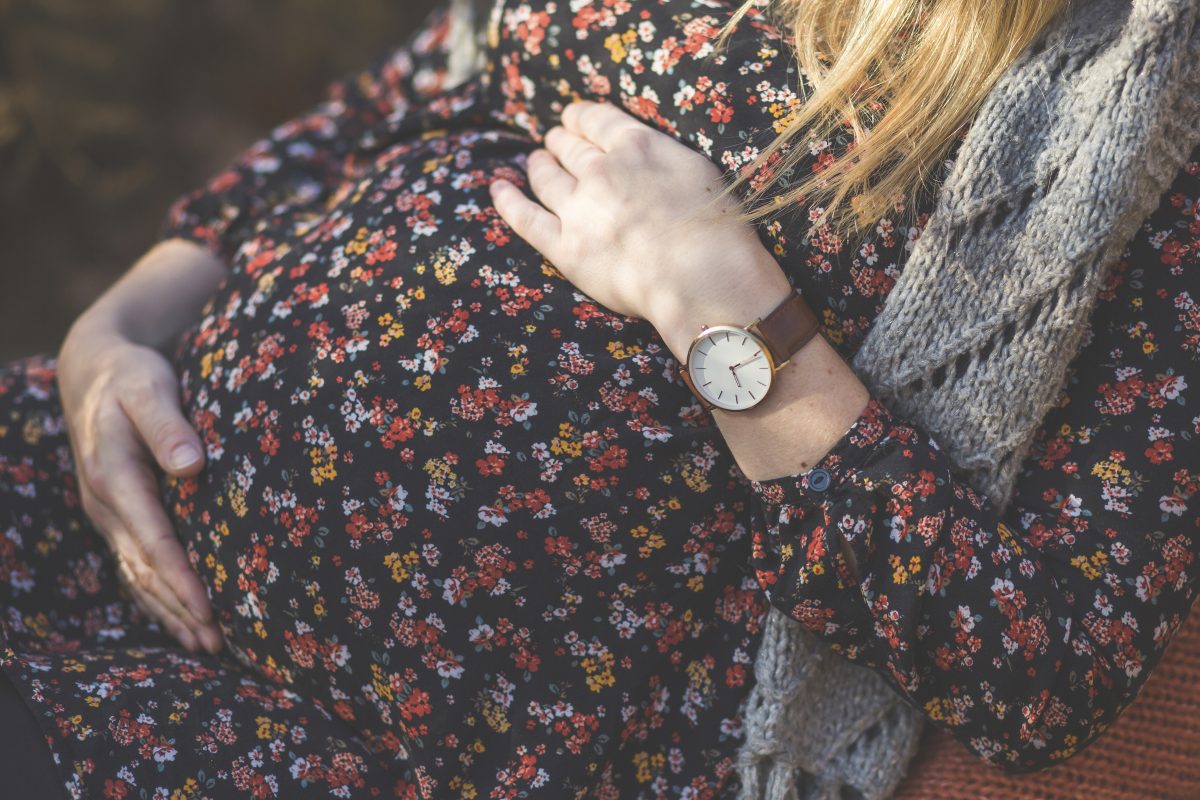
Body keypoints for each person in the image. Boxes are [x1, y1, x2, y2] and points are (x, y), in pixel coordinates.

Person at [1, 0, 1197, 797]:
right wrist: (116, 326)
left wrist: (718, 300)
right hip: (87, 499)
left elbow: (1038, 667)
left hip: (365, 748)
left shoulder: (1144, 131)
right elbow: (418, 87)